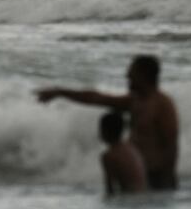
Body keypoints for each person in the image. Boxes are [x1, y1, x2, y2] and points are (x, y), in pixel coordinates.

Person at [37, 55, 179, 190]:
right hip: (137, 175)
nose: (127, 76)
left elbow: (171, 146)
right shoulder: (135, 101)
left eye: (132, 73)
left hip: (158, 178)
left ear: (144, 75)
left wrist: (166, 180)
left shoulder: (163, 105)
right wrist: (60, 92)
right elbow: (96, 98)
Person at [98, 112, 147, 195]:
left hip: (128, 198)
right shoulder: (132, 148)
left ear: (106, 131)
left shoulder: (109, 156)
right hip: (144, 195)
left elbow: (110, 190)